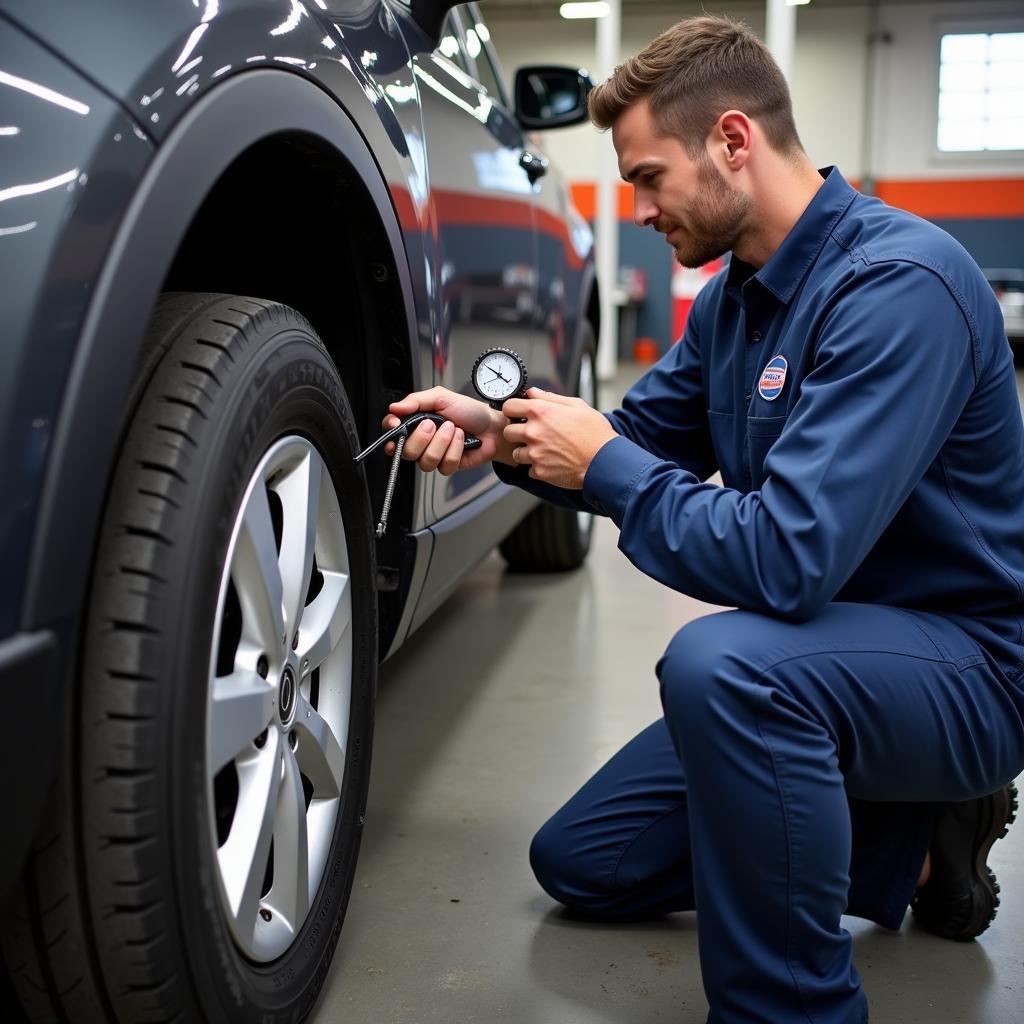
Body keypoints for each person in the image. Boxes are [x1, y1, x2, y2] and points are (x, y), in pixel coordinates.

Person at [381, 15, 1024, 1023]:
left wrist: (611, 466)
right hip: (824, 657)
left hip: (964, 668)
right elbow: (632, 440)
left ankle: (795, 1010)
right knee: (580, 861)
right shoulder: (732, 304)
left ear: (733, 141)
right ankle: (911, 843)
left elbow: (785, 560)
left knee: (721, 666)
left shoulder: (900, 286)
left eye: (645, 177)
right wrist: (500, 433)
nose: (634, 208)